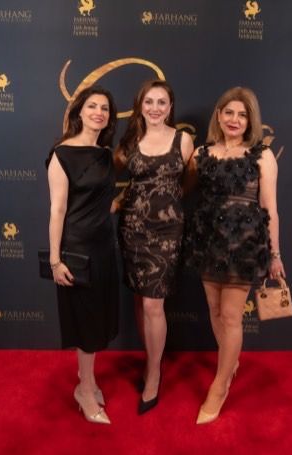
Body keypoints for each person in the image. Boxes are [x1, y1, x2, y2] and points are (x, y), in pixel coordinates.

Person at [184, 87, 286, 424]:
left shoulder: (262, 155)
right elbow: (182, 190)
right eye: (229, 112)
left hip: (243, 245)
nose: (234, 119)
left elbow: (269, 207)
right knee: (215, 311)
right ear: (218, 115)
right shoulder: (201, 153)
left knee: (230, 317)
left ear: (250, 121)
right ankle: (231, 362)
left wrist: (275, 254)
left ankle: (220, 385)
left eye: (242, 115)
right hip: (207, 240)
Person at [114, 80, 194, 414]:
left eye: (162, 102)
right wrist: (120, 201)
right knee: (139, 297)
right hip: (133, 229)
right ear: (140, 105)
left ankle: (154, 374)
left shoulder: (183, 140)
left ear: (170, 107)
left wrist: (169, 203)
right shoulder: (129, 141)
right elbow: (114, 177)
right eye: (149, 101)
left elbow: (190, 180)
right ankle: (150, 361)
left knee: (152, 304)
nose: (155, 108)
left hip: (167, 230)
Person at [46, 86, 119, 424]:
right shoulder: (61, 154)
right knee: (86, 323)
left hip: (104, 246)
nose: (98, 113)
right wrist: (55, 260)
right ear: (79, 111)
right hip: (77, 249)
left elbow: (103, 202)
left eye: (104, 108)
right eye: (92, 106)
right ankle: (85, 390)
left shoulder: (105, 153)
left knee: (97, 320)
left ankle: (87, 380)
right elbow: (58, 210)